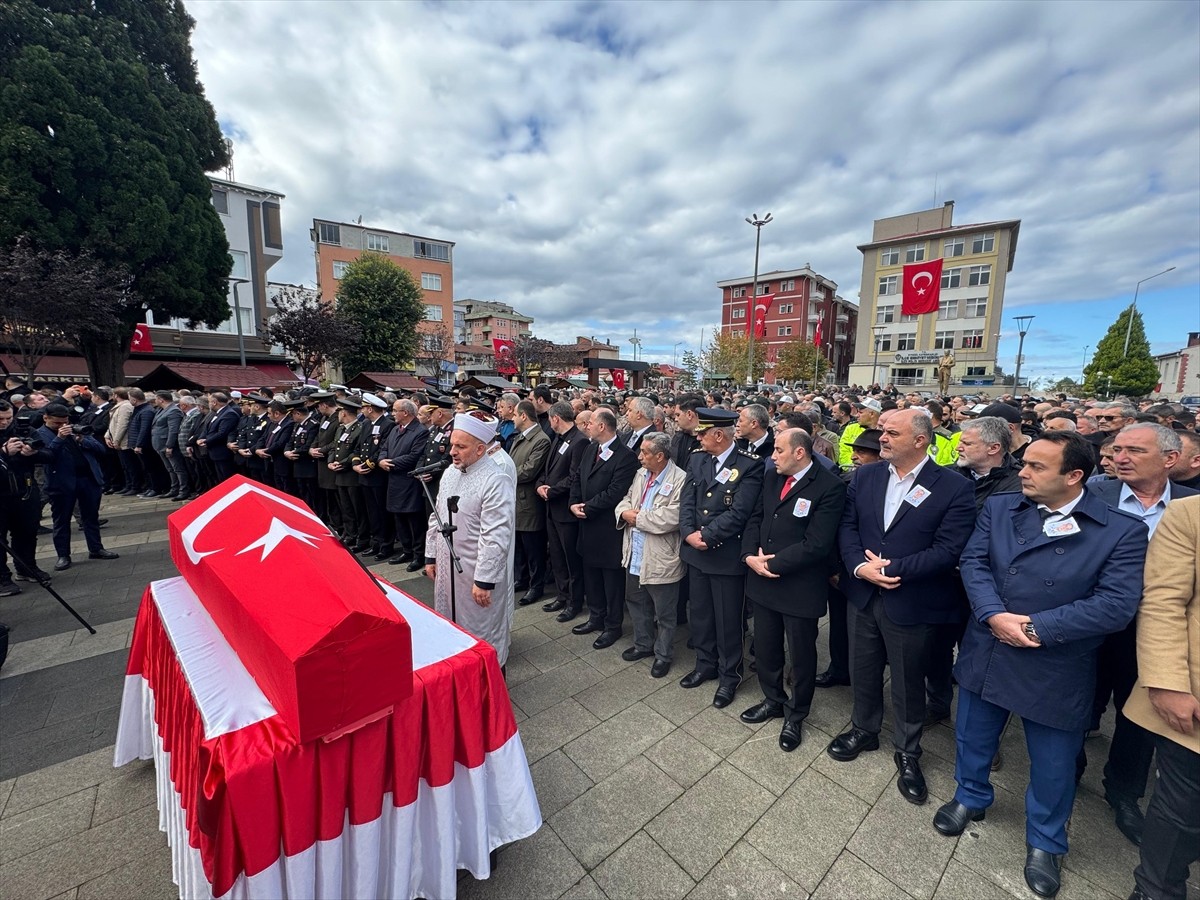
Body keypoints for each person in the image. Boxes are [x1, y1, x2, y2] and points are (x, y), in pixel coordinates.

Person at [936, 431, 1148, 899]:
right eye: (1025, 463)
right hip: (991, 643)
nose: (1024, 473)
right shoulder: (1002, 508)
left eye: (1036, 467)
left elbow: (1115, 605)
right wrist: (994, 615)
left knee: (1053, 761)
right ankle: (970, 795)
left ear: (1074, 476)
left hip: (1056, 659)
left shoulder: (1121, 530)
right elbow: (975, 563)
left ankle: (1046, 840)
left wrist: (1036, 628)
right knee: (973, 734)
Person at [830, 408, 975, 805]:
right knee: (863, 668)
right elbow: (847, 527)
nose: (882, 437)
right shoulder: (866, 475)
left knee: (909, 679)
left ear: (920, 440)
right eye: (882, 431)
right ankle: (864, 729)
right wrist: (859, 566)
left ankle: (908, 751)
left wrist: (891, 569)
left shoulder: (953, 487)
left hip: (911, 599)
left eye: (892, 432)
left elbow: (948, 550)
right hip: (864, 593)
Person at [1085, 423, 1196, 845]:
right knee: (1080, 699)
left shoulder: (1190, 507)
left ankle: (1124, 791)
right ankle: (1067, 769)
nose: (1120, 458)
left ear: (1170, 459)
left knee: (1138, 718)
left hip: (1155, 634)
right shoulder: (1094, 494)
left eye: (1134, 450)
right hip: (1091, 622)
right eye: (1118, 449)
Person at [739, 428, 846, 751]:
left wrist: (772, 564)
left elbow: (817, 544)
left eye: (779, 450)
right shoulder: (772, 477)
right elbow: (755, 519)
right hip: (762, 580)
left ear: (800, 452)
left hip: (799, 587)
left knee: (801, 656)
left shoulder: (829, 487)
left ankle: (796, 714)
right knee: (766, 648)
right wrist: (749, 556)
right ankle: (772, 699)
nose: (773, 456)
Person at [1124, 496, 1200, 900]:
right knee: (1182, 808)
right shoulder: (1190, 514)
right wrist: (1167, 681)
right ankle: (1156, 890)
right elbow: (1163, 601)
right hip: (1191, 696)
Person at [677, 407, 764, 708]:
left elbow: (741, 512)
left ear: (717, 434)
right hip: (697, 552)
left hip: (725, 554)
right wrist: (688, 533)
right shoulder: (698, 459)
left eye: (702, 433)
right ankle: (705, 664)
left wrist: (708, 536)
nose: (697, 438)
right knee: (700, 615)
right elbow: (687, 500)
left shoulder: (750, 465)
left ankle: (730, 676)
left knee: (728, 620)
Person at [424, 412, 516, 666]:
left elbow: (496, 535)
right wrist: (431, 555)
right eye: (452, 444)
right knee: (450, 629)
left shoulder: (496, 480)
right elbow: (437, 516)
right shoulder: (450, 472)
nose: (452, 452)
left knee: (481, 634)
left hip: (476, 575)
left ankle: (488, 684)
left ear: (480, 449)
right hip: (447, 570)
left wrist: (484, 580)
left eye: (460, 447)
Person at [614, 432, 686, 679]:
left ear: (660, 456)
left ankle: (663, 654)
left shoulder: (680, 479)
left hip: (660, 556)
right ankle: (643, 644)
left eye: (645, 452)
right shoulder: (641, 474)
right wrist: (624, 513)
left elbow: (673, 517)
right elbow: (626, 499)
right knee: (636, 602)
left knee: (664, 612)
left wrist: (638, 518)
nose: (639, 456)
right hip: (635, 552)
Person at [569, 408, 639, 649]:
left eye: (590, 422)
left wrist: (587, 507)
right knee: (592, 576)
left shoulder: (626, 456)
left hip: (608, 529)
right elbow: (578, 477)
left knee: (611, 582)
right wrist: (573, 503)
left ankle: (613, 625)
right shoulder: (591, 449)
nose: (586, 426)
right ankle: (596, 617)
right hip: (587, 526)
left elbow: (615, 492)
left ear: (602, 426)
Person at [35, 403, 120, 571]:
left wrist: (82, 440)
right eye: (57, 423)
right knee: (61, 520)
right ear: (46, 418)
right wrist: (59, 438)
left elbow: (100, 449)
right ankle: (63, 555)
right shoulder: (40, 434)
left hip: (88, 479)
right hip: (61, 483)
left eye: (65, 422)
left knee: (91, 517)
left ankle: (96, 548)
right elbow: (46, 457)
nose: (62, 426)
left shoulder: (76, 430)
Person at [537, 401, 590, 621]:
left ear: (556, 418)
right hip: (552, 508)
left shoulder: (579, 441)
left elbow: (575, 476)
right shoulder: (558, 439)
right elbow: (548, 469)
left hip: (565, 510)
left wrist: (552, 491)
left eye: (550, 419)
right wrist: (541, 484)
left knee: (571, 560)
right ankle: (562, 595)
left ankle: (574, 602)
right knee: (557, 556)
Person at [379, 399, 429, 571]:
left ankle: (418, 555)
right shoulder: (395, 429)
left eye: (395, 410)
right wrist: (381, 460)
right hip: (394, 481)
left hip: (409, 482)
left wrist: (391, 462)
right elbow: (384, 448)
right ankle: (407, 551)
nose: (392, 414)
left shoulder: (420, 431)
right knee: (399, 518)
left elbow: (414, 456)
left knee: (414, 521)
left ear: (405, 412)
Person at [510, 400, 552, 605]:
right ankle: (523, 579)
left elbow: (529, 470)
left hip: (529, 504)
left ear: (524, 416)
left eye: (515, 414)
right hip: (516, 501)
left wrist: (505, 475)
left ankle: (536, 586)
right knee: (520, 547)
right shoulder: (520, 437)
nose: (512, 418)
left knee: (534, 549)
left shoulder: (541, 440)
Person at [197, 392, 241, 482]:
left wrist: (206, 441)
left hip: (223, 452)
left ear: (214, 402)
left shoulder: (229, 413)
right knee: (220, 479)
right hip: (214, 452)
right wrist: (201, 438)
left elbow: (222, 433)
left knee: (227, 479)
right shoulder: (217, 413)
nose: (208, 404)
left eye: (209, 402)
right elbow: (207, 428)